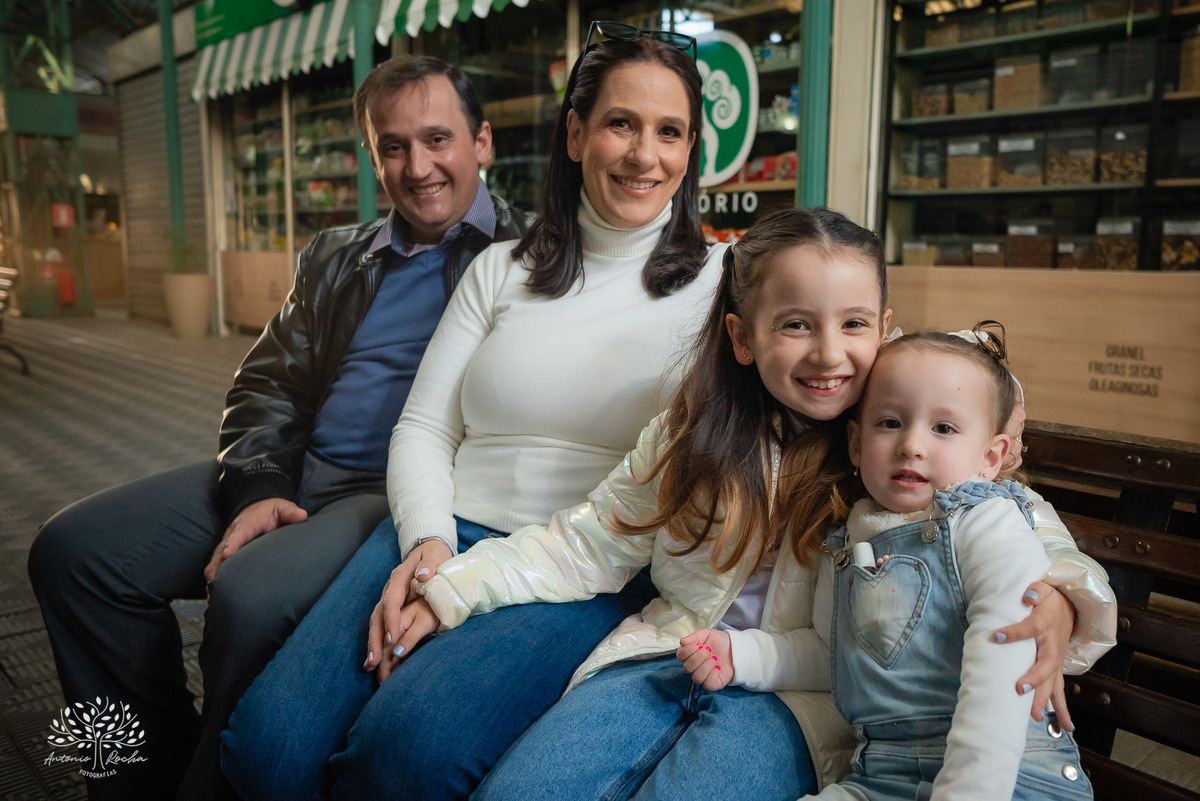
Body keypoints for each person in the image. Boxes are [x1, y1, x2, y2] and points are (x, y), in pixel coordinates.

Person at [371, 209, 1116, 799]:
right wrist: (452, 590)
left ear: (883, 330)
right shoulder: (691, 433)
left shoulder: (907, 445)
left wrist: (1060, 596)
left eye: (854, 324)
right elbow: (586, 542)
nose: (829, 353)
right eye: (796, 323)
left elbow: (1017, 520)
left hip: (797, 703)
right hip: (663, 655)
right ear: (743, 336)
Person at [220, 25, 724, 801]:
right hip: (442, 527)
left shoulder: (730, 282)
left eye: (670, 131)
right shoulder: (502, 268)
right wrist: (428, 542)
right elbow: (425, 425)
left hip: (580, 570)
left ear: (692, 149)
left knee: (404, 754)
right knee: (267, 749)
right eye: (621, 123)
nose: (643, 154)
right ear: (577, 131)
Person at [26, 55, 527, 801]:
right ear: (372, 156)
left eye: (438, 140)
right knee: (72, 553)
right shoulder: (335, 256)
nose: (417, 166)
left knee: (251, 594)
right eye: (393, 146)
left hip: (389, 495)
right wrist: (258, 484)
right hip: (292, 467)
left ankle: (206, 783)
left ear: (481, 142)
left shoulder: (532, 261)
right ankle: (139, 772)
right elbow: (268, 385)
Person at [805, 324, 1096, 800]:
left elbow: (1001, 671)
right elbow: (830, 652)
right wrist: (748, 657)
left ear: (990, 457)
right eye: (890, 422)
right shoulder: (845, 541)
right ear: (856, 444)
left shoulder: (987, 522)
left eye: (943, 428)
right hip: (882, 772)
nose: (912, 445)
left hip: (1009, 775)